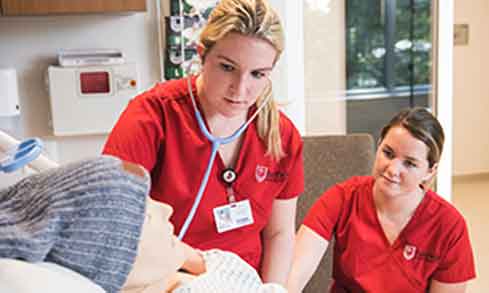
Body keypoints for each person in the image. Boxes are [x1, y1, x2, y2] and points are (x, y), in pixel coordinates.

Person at [103, 0, 304, 284]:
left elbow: (279, 233)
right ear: (202, 55)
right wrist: (209, 269)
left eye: (258, 74)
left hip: (245, 285)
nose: (241, 89)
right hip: (170, 279)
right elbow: (116, 219)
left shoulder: (282, 136)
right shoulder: (152, 118)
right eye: (227, 67)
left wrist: (271, 291)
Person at [0, 156, 287, 293]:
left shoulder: (169, 273)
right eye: (147, 214)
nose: (167, 209)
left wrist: (187, 257)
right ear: (117, 254)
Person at [286, 107, 476, 292]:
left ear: (430, 171)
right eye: (388, 153)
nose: (392, 169)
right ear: (379, 146)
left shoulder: (449, 227)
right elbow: (294, 271)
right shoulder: (343, 198)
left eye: (409, 163)